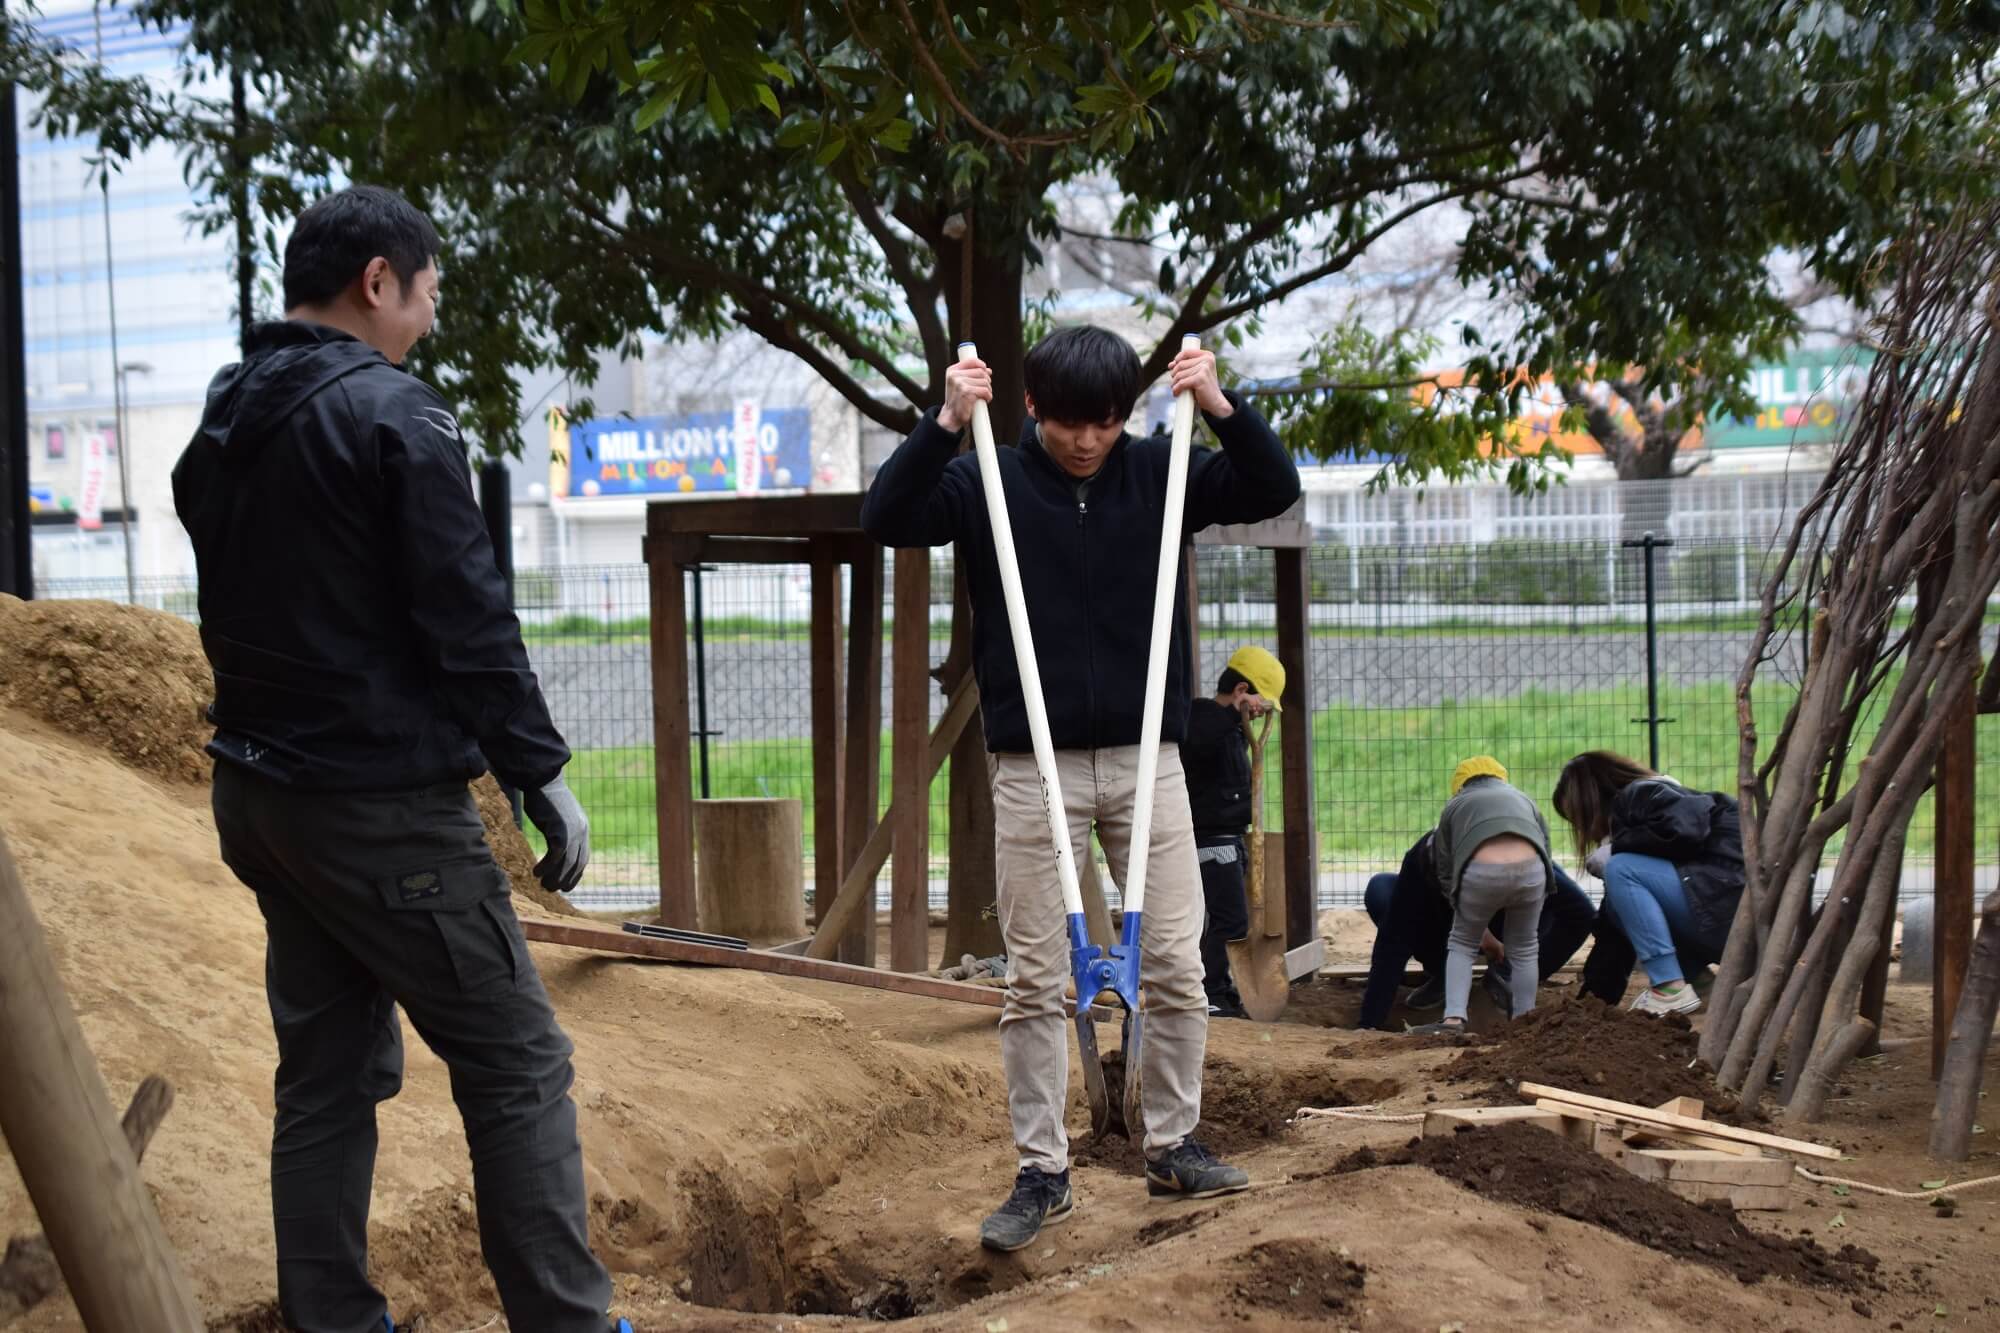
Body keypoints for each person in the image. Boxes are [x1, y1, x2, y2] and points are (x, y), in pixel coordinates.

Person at [174, 187, 630, 1333]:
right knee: (517, 1063)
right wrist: (536, 768)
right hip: (378, 804)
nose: (428, 317)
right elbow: (464, 613)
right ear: (378, 282)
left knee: (326, 1074)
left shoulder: (225, 420)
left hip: (259, 793)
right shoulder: (392, 414)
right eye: (426, 292)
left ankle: (332, 1320)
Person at [861, 325, 1301, 1252]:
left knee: (1179, 965)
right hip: (1035, 766)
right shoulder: (990, 474)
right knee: (1035, 980)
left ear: (1127, 414)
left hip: (1150, 760)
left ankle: (1174, 1142)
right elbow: (887, 517)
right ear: (1031, 410)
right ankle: (1043, 1170)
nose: (1087, 442)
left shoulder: (1162, 470)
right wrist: (945, 421)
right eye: (1067, 424)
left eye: (1103, 423)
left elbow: (1272, 485)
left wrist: (1218, 403)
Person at [1553, 750, 1745, 1016]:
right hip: (1726, 914)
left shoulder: (1643, 794)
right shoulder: (1649, 818)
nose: (1585, 830)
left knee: (1621, 869)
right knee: (1622, 907)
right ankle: (1701, 986)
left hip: (1732, 909)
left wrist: (1618, 849)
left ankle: (1669, 988)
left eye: (1578, 818)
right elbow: (1614, 934)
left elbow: (1686, 831)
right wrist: (1590, 1008)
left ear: (1591, 801)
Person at [1358, 832, 1597, 1028]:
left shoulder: (1524, 856)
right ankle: (1443, 973)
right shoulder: (1428, 855)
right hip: (1447, 930)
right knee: (1382, 888)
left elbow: (1580, 913)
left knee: (1547, 899)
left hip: (1509, 933)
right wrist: (1369, 1023)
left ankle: (1506, 976)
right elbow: (1393, 941)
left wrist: (1524, 968)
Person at [1179, 646, 1285, 1019]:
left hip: (1230, 838)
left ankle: (1220, 986)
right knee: (1230, 919)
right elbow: (1198, 739)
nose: (1259, 713)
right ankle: (1211, 990)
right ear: (1241, 691)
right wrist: (1233, 716)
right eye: (1259, 703)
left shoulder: (1235, 730)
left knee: (1228, 916)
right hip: (1211, 840)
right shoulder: (1204, 717)